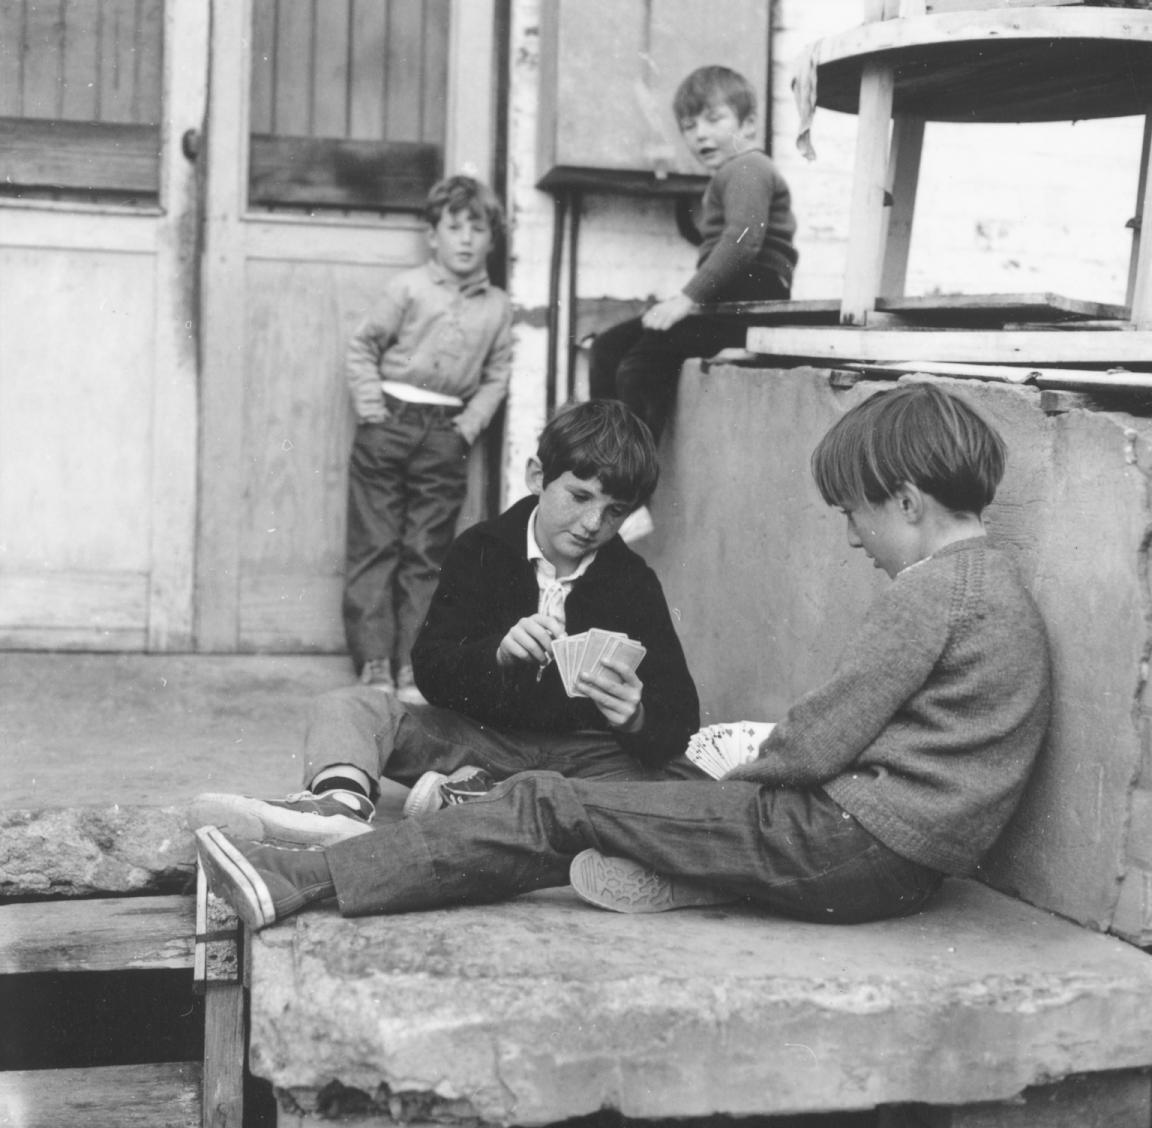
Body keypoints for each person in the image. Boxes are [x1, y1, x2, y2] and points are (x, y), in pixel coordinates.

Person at [195, 383, 1052, 933]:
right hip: (894, 866)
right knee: (575, 813)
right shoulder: (994, 585)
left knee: (552, 804)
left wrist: (726, 786)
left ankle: (302, 878)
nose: (855, 539)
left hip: (839, 843)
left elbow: (823, 737)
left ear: (907, 501)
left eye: (854, 515)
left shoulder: (927, 594)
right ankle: (675, 865)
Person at [191, 399, 701, 847]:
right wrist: (496, 654)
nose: (593, 524)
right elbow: (431, 670)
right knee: (350, 707)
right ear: (537, 477)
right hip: (484, 739)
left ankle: (478, 799)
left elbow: (681, 716)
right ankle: (338, 810)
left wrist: (636, 717)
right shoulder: (481, 549)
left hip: (581, 756)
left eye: (615, 512)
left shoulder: (633, 582)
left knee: (687, 779)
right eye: (580, 497)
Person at [589, 65, 798, 539]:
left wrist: (686, 299)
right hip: (722, 302)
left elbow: (743, 241)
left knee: (639, 365)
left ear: (748, 125)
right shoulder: (729, 174)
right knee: (607, 348)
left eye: (713, 119)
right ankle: (604, 473)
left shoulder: (749, 167)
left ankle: (629, 496)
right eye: (689, 125)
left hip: (750, 300)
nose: (700, 134)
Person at [343, 174, 512, 699]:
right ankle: (374, 661)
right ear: (432, 235)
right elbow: (363, 346)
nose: (465, 239)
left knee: (427, 552)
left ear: (491, 239)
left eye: (477, 229)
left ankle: (413, 666)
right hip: (387, 425)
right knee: (375, 545)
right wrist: (372, 409)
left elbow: (497, 375)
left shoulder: (497, 306)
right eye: (454, 227)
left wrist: (466, 427)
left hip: (444, 436)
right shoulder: (408, 288)